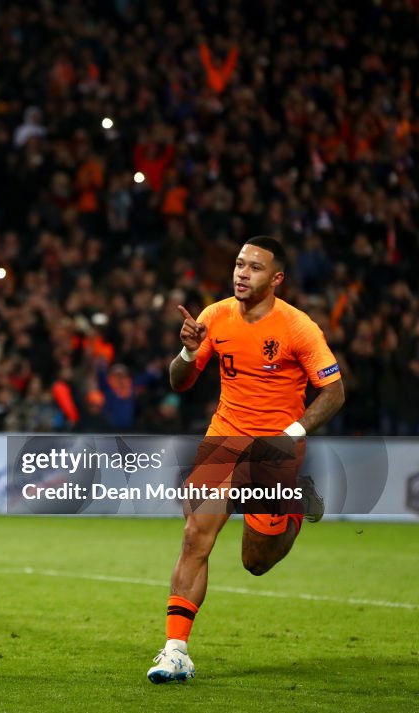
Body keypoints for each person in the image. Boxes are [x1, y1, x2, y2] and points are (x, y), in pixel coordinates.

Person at [147, 236, 345, 683]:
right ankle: (175, 651)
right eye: (239, 264)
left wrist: (291, 433)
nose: (241, 273)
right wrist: (187, 351)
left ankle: (293, 507)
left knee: (255, 561)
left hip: (274, 451)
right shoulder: (213, 316)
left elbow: (334, 391)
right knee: (195, 534)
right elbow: (180, 383)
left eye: (254, 267)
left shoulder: (298, 328)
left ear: (276, 279)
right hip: (224, 438)